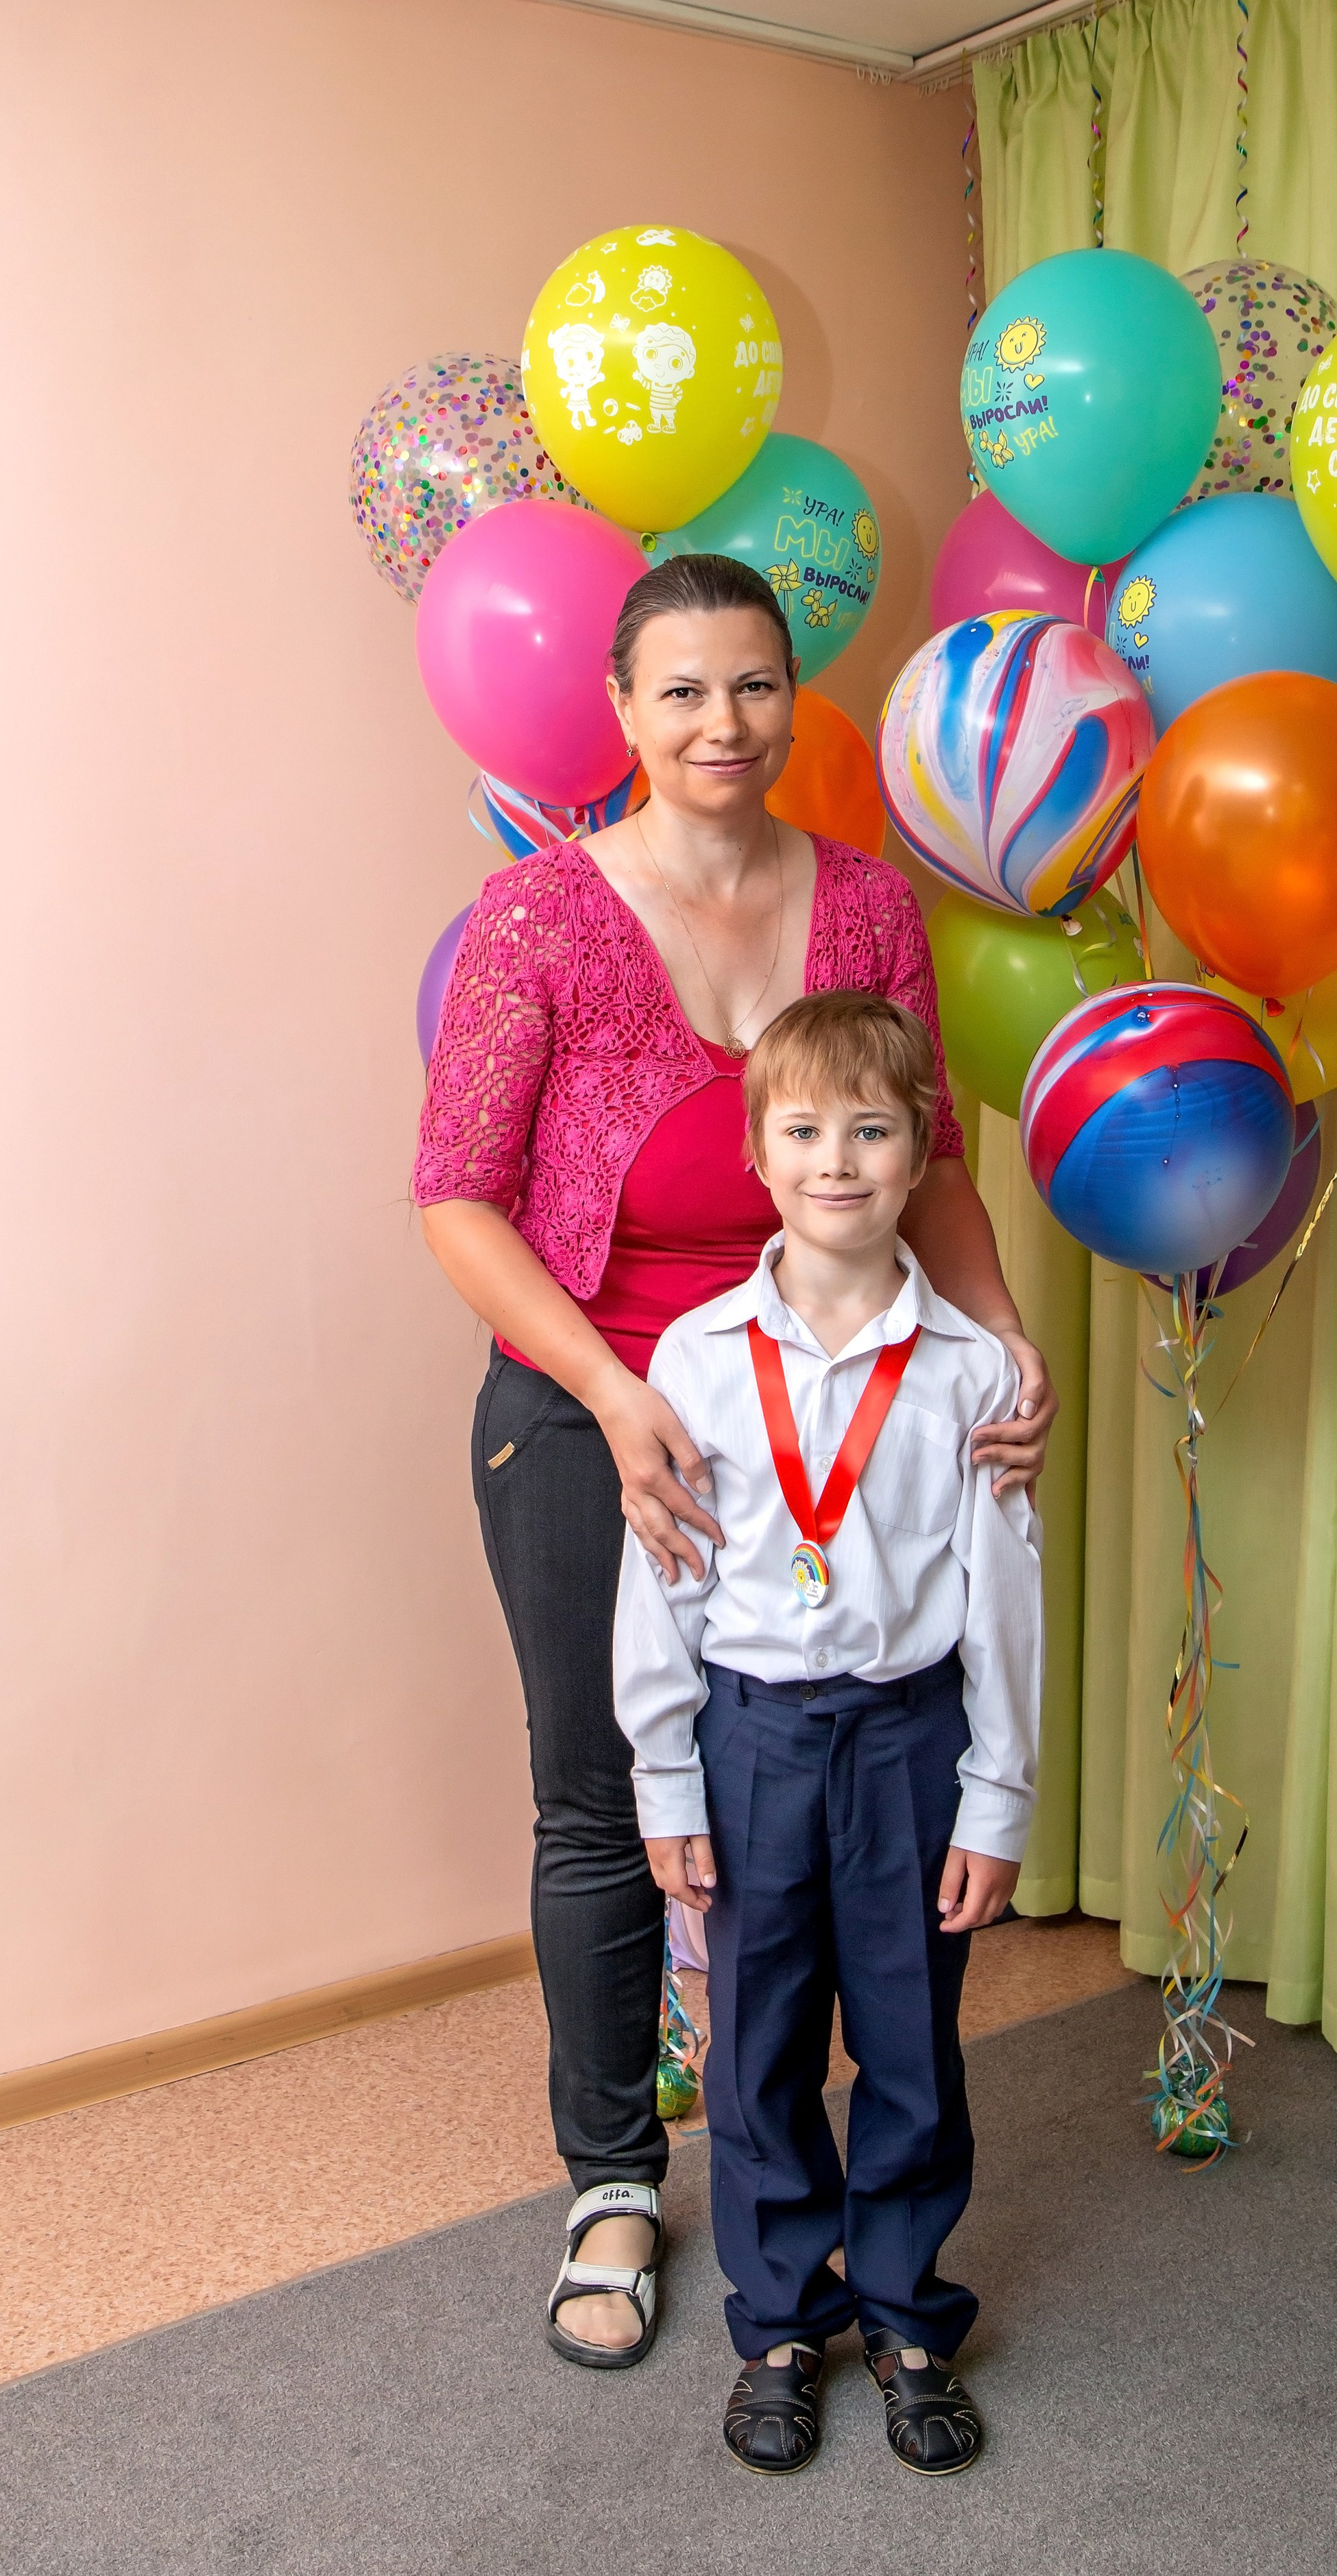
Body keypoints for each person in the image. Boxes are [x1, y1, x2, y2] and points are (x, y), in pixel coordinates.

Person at [413, 554, 1055, 2366]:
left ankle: (840, 2178)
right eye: (682, 692)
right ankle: (614, 2184)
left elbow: (922, 1157)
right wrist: (619, 1406)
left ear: (794, 698)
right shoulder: (534, 919)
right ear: (622, 714)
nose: (721, 724)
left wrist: (1001, 1335)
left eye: (755, 686)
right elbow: (454, 1201)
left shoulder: (862, 906)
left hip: (833, 1387)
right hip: (590, 1401)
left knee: (839, 1761)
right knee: (606, 1792)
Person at [612, 991, 1042, 2475]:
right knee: (761, 2047)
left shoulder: (971, 1373)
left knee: (911, 2037)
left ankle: (911, 2314)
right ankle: (784, 2318)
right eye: (802, 1128)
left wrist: (996, 1796)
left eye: (871, 1127)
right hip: (747, 1743)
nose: (837, 1157)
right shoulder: (695, 1357)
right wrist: (665, 1771)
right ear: (756, 1153)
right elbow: (660, 1573)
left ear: (922, 1148)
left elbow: (1001, 1602)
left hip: (909, 1741)